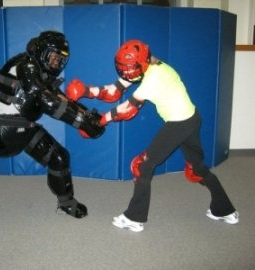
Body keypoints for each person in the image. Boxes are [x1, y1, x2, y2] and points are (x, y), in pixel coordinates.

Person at [0, 31, 105, 230]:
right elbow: (44, 98)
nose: (58, 63)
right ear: (42, 52)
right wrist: (81, 122)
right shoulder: (26, 65)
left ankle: (66, 203)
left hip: (26, 129)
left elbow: (59, 99)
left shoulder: (42, 74)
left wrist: (87, 116)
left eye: (61, 60)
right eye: (55, 57)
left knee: (59, 158)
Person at [65, 39, 239, 232]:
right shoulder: (149, 65)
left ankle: (134, 217)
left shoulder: (154, 78)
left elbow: (127, 109)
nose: (126, 72)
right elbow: (114, 91)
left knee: (143, 166)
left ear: (140, 63)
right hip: (191, 119)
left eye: (129, 68)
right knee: (197, 169)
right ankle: (225, 210)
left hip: (179, 124)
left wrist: (99, 122)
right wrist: (86, 91)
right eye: (124, 68)